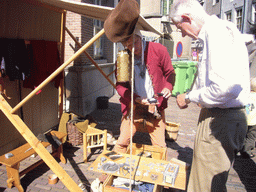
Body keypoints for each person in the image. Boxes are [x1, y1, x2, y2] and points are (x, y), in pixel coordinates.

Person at [170, 0, 250, 191]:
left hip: (221, 119)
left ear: (187, 18)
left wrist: (190, 97)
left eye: (180, 27)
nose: (182, 33)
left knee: (204, 186)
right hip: (223, 118)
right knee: (210, 181)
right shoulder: (222, 29)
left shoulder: (216, 33)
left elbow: (224, 87)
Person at [103, 0, 175, 154]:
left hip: (155, 106)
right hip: (134, 106)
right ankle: (108, 176)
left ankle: (158, 175)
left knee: (160, 147)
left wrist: (168, 86)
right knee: (122, 142)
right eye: (128, 45)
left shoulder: (158, 50)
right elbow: (120, 87)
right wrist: (134, 98)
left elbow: (170, 73)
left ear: (140, 38)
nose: (132, 48)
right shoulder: (123, 58)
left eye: (135, 43)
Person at [240, 77, 256, 158]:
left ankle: (238, 148)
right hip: (254, 121)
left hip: (244, 119)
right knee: (251, 136)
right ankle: (247, 151)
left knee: (242, 134)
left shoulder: (246, 95)